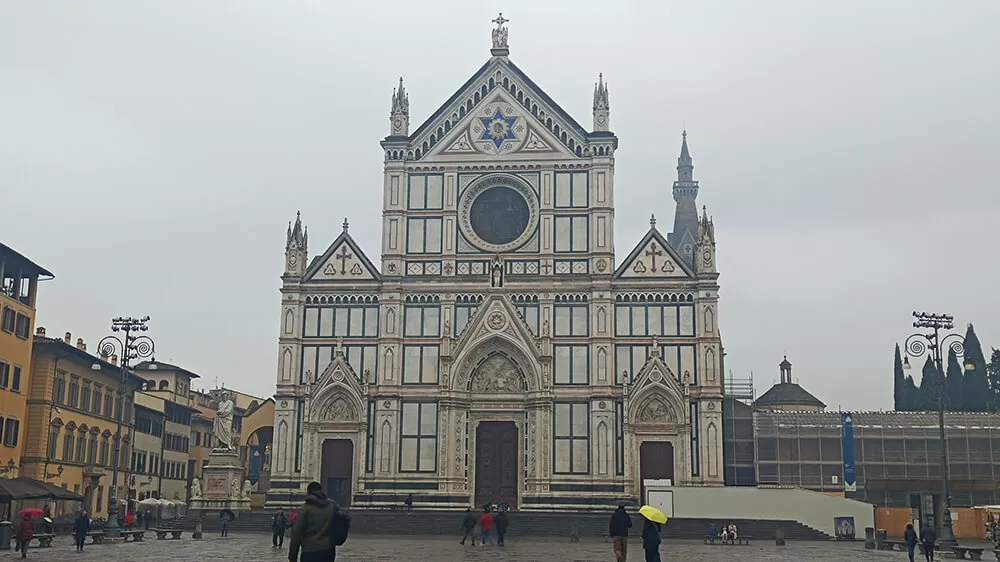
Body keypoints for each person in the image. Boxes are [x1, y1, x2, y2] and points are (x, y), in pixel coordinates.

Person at [289, 481, 339, 562]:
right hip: (328, 550)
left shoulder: (304, 509)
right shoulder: (333, 506)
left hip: (310, 551)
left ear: (308, 492)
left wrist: (292, 557)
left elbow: (296, 535)